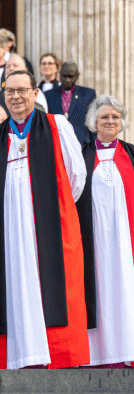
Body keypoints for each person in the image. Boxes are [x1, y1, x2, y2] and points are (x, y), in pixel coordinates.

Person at [0, 70, 88, 369]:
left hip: (48, 225)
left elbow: (76, 176)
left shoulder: (57, 125)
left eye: (22, 90)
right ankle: (20, 356)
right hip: (9, 229)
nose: (16, 97)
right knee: (12, 284)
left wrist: (53, 209)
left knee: (51, 286)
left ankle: (53, 355)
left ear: (35, 93)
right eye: (10, 91)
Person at [75, 95, 134, 368]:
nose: (110, 121)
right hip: (93, 240)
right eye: (104, 117)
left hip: (126, 239)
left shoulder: (132, 154)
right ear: (93, 122)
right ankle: (98, 355)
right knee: (97, 291)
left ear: (121, 122)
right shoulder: (82, 156)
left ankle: (127, 350)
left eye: (115, 117)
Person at [44, 61, 96, 145]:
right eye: (64, 76)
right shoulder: (48, 95)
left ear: (77, 76)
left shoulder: (88, 94)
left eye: (71, 76)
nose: (67, 80)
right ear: (60, 75)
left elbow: (93, 122)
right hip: (56, 145)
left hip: (82, 146)